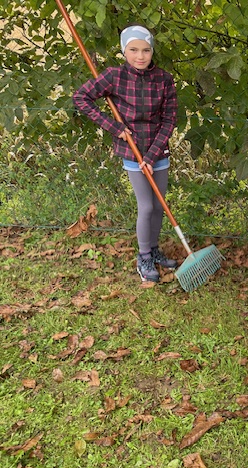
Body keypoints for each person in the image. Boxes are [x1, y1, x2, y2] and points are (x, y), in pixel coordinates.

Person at [73, 25, 178, 283]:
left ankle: (154, 249)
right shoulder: (114, 76)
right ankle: (144, 257)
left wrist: (152, 156)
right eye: (133, 50)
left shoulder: (164, 79)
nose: (140, 56)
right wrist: (114, 127)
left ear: (152, 51)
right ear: (124, 51)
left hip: (157, 150)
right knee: (146, 206)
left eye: (146, 50)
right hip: (132, 150)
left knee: (159, 206)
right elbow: (81, 98)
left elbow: (169, 120)